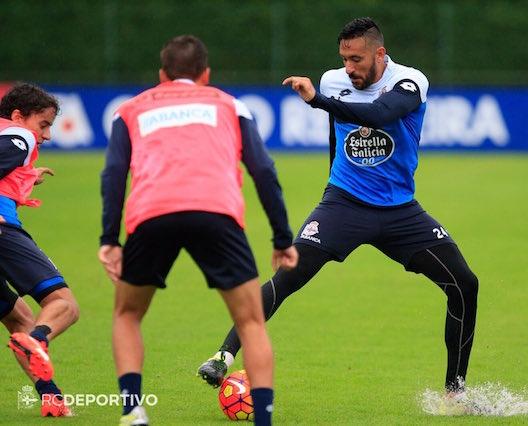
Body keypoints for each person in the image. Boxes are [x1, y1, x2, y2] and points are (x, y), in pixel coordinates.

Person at [198, 17, 479, 402]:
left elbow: (380, 115)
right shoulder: (333, 81)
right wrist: (333, 189)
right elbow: (336, 133)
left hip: (401, 213)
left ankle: (455, 393)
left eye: (357, 59)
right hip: (344, 204)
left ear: (379, 53)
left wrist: (316, 100)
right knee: (287, 276)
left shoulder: (409, 82)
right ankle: (222, 356)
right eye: (344, 59)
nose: (349, 68)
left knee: (464, 284)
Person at [99, 35, 297, 426]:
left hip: (152, 214)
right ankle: (264, 421)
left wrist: (110, 240)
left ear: (161, 76)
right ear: (205, 75)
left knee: (127, 314)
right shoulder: (229, 104)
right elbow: (263, 170)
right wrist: (281, 238)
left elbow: (113, 174)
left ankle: (133, 411)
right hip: (216, 213)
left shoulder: (129, 111)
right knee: (251, 322)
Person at [0, 83, 78, 417]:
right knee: (63, 305)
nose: (45, 135)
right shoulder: (21, 136)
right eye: (43, 124)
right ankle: (40, 340)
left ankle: (52, 398)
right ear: (18, 116)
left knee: (19, 319)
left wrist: (26, 175)